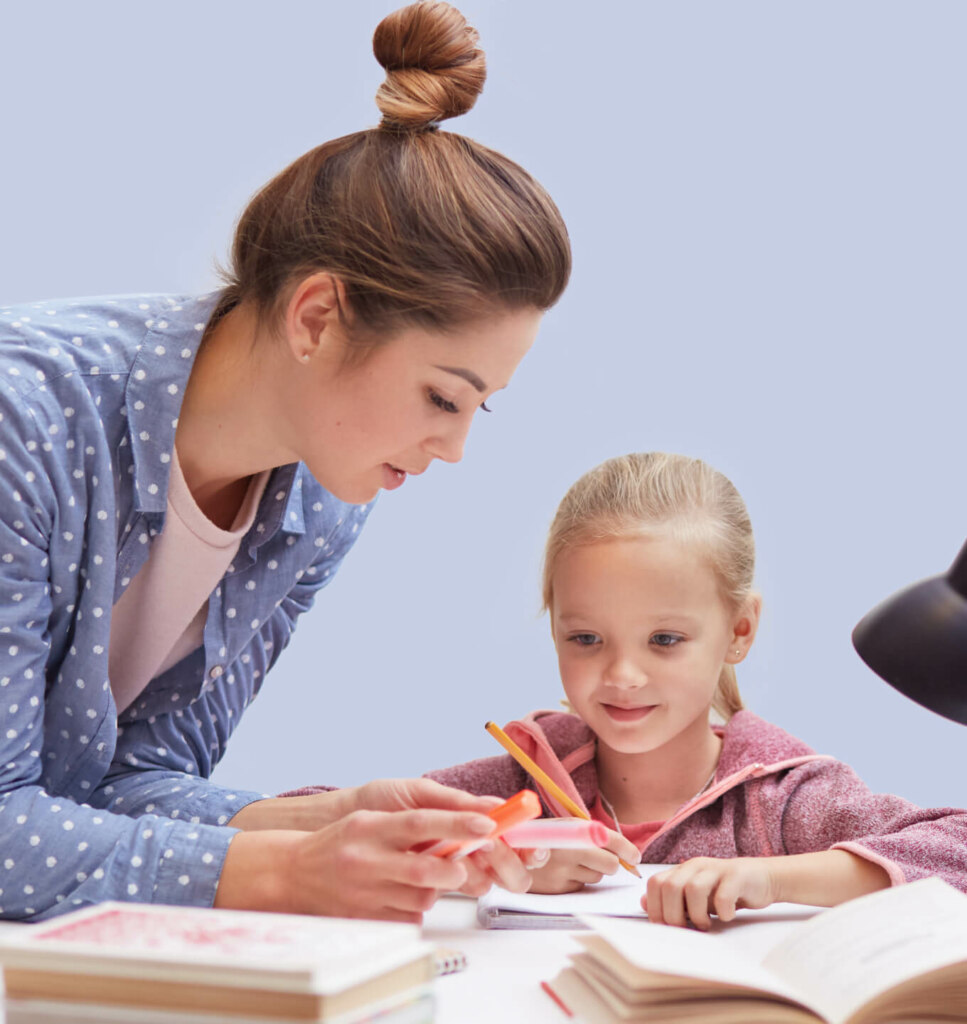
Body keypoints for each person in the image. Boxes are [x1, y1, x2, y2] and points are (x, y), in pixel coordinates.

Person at [0, 1, 570, 923]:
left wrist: (316, 823)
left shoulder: (322, 502)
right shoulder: (22, 424)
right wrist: (285, 873)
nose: (454, 449)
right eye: (441, 397)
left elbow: (123, 782)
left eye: (478, 411)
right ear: (316, 317)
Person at [420, 452, 967, 929]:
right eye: (585, 638)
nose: (622, 675)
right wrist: (497, 856)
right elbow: (337, 817)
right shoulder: (527, 780)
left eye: (664, 639)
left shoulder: (781, 800)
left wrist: (770, 878)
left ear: (738, 631)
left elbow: (958, 848)